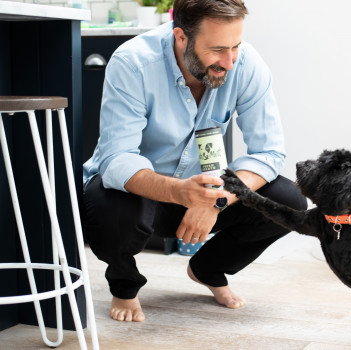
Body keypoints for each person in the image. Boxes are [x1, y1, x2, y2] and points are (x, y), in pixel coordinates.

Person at [82, 0, 307, 322]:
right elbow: (117, 159)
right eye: (217, 50)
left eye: (236, 47)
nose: (229, 62)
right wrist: (181, 192)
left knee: (290, 202)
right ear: (181, 37)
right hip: (141, 192)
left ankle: (208, 269)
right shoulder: (133, 62)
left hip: (205, 191)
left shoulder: (245, 65)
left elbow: (267, 153)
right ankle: (123, 283)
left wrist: (213, 201)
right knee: (112, 213)